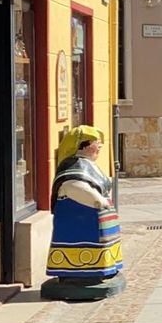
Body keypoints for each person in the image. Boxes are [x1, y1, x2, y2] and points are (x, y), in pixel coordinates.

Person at [44, 126, 124, 298]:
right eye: (97, 142)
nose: (100, 146)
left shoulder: (89, 165)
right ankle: (78, 275)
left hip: (94, 222)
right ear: (85, 145)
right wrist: (98, 200)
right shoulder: (73, 166)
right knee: (81, 247)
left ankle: (101, 270)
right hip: (80, 222)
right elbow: (74, 186)